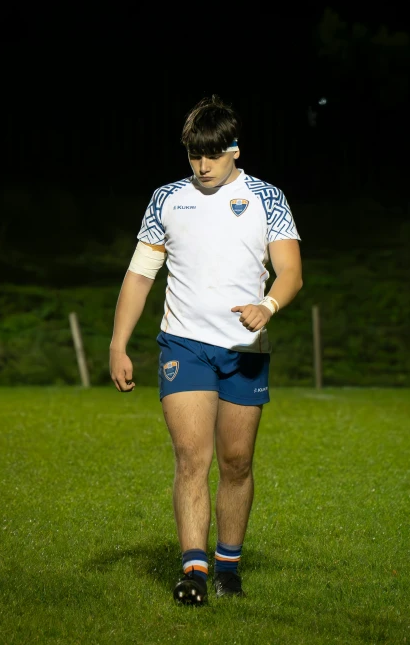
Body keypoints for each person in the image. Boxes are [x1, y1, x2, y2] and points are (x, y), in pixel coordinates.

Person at [109, 95, 302, 604]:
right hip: (184, 344)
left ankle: (228, 567)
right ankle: (193, 570)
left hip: (245, 349)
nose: (201, 166)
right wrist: (117, 344)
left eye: (212, 155)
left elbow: (291, 273)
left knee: (237, 461)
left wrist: (269, 306)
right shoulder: (166, 199)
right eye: (194, 155)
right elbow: (140, 275)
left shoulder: (269, 198)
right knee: (192, 457)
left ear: (235, 149)